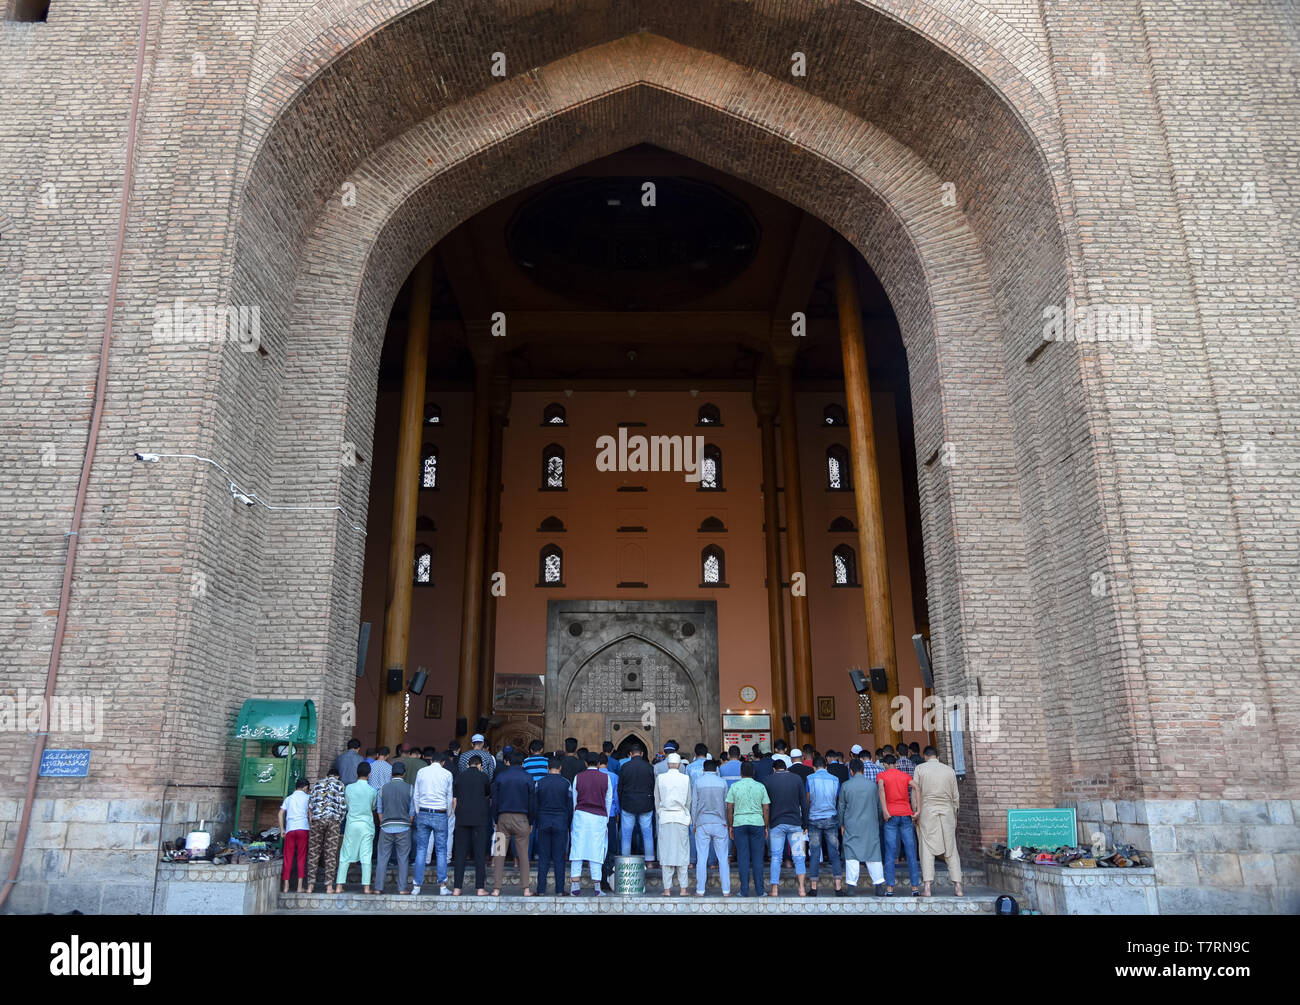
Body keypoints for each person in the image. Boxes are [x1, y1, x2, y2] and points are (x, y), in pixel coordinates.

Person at [914, 746, 963, 897]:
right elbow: (956, 797)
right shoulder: (949, 770)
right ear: (938, 755)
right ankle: (958, 887)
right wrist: (955, 815)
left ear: (924, 756)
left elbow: (915, 793)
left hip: (927, 811)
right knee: (951, 848)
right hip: (947, 811)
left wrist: (915, 812)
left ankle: (927, 887)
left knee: (926, 848)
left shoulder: (920, 769)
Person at [491, 749, 537, 896]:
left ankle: (496, 889)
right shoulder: (528, 777)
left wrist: (495, 820)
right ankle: (526, 889)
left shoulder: (500, 777)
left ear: (507, 762)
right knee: (523, 855)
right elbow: (532, 802)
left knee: (499, 854)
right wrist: (530, 821)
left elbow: (495, 801)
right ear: (523, 763)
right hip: (522, 819)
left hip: (502, 818)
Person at [410, 746, 454, 896]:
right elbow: (449, 797)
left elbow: (416, 795)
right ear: (443, 762)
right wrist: (447, 814)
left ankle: (416, 886)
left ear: (431, 761)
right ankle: (442, 886)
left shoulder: (422, 772)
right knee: (441, 850)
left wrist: (418, 811)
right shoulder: (447, 774)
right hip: (440, 812)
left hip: (423, 811)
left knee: (421, 850)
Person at [838, 758, 884, 896]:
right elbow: (879, 807)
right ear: (863, 770)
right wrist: (879, 822)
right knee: (873, 854)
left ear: (851, 771)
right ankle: (879, 886)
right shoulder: (872, 785)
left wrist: (841, 824)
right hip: (870, 825)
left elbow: (841, 808)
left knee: (851, 854)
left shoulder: (846, 786)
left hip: (852, 825)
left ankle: (851, 888)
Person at [763, 757, 808, 897]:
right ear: (786, 768)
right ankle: (801, 889)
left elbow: (765, 805)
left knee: (776, 857)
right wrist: (805, 823)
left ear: (774, 769)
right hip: (795, 823)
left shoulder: (768, 780)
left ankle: (775, 890)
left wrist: (766, 823)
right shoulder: (797, 779)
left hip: (776, 824)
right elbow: (804, 803)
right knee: (799, 857)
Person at [725, 761, 770, 897]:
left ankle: (744, 891)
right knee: (757, 858)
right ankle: (760, 891)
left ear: (741, 773)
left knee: (743, 858)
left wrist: (731, 826)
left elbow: (729, 807)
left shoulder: (734, 787)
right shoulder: (760, 786)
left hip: (739, 823)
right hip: (757, 823)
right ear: (754, 773)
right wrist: (766, 826)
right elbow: (766, 808)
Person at [877, 754, 920, 896]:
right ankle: (914, 888)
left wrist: (885, 811)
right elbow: (916, 787)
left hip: (890, 816)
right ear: (896, 764)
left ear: (885, 764)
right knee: (910, 851)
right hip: (906, 815)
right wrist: (917, 810)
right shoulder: (905, 775)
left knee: (890, 852)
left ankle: (890, 888)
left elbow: (881, 791)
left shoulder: (882, 775)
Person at [570, 753, 612, 896]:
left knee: (577, 848)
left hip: (581, 815)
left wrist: (577, 814)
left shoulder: (578, 777)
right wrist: (605, 819)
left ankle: (575, 886)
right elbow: (608, 800)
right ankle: (597, 888)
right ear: (599, 763)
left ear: (586, 763)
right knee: (596, 850)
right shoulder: (606, 778)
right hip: (598, 817)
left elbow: (574, 801)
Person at [452, 754, 492, 895]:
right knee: (479, 853)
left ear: (468, 765)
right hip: (480, 819)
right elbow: (488, 794)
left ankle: (457, 888)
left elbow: (454, 800)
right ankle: (480, 888)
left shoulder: (459, 777)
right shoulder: (484, 777)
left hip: (462, 818)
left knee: (460, 853)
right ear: (480, 765)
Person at [336, 761, 378, 893]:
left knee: (345, 853)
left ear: (356, 773)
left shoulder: (349, 788)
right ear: (369, 774)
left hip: (352, 824)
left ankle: (339, 886)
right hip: (366, 825)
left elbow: (347, 805)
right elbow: (373, 807)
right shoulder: (372, 791)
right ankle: (366, 887)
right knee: (366, 855)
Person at [654, 752, 692, 896]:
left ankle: (667, 889)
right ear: (679, 765)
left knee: (666, 853)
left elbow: (657, 799)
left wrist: (660, 813)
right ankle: (683, 889)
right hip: (681, 818)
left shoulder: (661, 778)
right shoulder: (685, 778)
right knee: (682, 854)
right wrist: (685, 815)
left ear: (668, 764)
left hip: (665, 817)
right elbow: (688, 801)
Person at [806, 755, 845, 896]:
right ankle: (838, 886)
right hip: (831, 818)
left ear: (814, 767)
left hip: (814, 819)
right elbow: (836, 798)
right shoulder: (835, 779)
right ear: (826, 766)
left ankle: (814, 887)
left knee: (815, 853)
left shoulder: (810, 778)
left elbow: (808, 799)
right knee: (834, 852)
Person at [691, 759, 730, 897]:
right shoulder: (722, 782)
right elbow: (727, 805)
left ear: (703, 770)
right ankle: (726, 891)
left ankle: (700, 890)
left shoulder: (698, 782)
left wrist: (694, 823)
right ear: (716, 770)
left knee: (701, 857)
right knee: (723, 858)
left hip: (702, 823)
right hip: (720, 823)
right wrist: (727, 822)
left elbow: (694, 805)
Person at [375, 760, 414, 895]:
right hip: (404, 827)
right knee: (403, 858)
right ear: (404, 773)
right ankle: (402, 888)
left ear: (391, 774)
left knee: (382, 857)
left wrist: (383, 822)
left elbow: (379, 810)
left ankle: (378, 888)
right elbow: (412, 812)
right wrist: (408, 823)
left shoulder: (383, 788)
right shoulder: (410, 788)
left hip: (386, 826)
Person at [535, 758, 572, 895]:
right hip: (560, 822)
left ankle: (541, 890)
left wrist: (537, 820)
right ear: (560, 768)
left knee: (543, 858)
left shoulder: (540, 782)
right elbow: (570, 806)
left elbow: (535, 803)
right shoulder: (566, 783)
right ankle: (560, 890)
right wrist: (567, 823)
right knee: (559, 858)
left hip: (544, 821)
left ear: (547, 768)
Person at [306, 767, 345, 894]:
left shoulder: (318, 783)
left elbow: (310, 805)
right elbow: (343, 807)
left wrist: (312, 820)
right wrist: (339, 820)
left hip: (317, 820)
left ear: (327, 775)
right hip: (333, 821)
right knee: (331, 854)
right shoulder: (340, 785)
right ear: (337, 776)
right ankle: (329, 887)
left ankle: (310, 886)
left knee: (313, 853)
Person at [617, 743, 655, 861]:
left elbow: (620, 788)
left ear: (630, 754)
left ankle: (626, 861)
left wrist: (622, 802)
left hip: (628, 804)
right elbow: (652, 786)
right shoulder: (649, 767)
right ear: (642, 753)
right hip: (646, 804)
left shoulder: (625, 767)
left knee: (626, 835)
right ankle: (649, 861)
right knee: (647, 834)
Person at [278, 776, 311, 894]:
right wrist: (311, 827)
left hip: (290, 829)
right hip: (303, 829)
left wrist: (282, 829)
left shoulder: (289, 798)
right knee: (301, 857)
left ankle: (286, 886)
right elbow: (310, 814)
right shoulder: (308, 798)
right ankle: (299, 886)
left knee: (288, 857)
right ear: (306, 787)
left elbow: (280, 813)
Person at [597, 753, 621, 891]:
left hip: (597, 814)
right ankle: (608, 876)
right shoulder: (613, 776)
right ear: (607, 763)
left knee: (598, 845)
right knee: (611, 846)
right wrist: (617, 812)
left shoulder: (593, 776)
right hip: (610, 814)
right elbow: (616, 797)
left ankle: (599, 876)